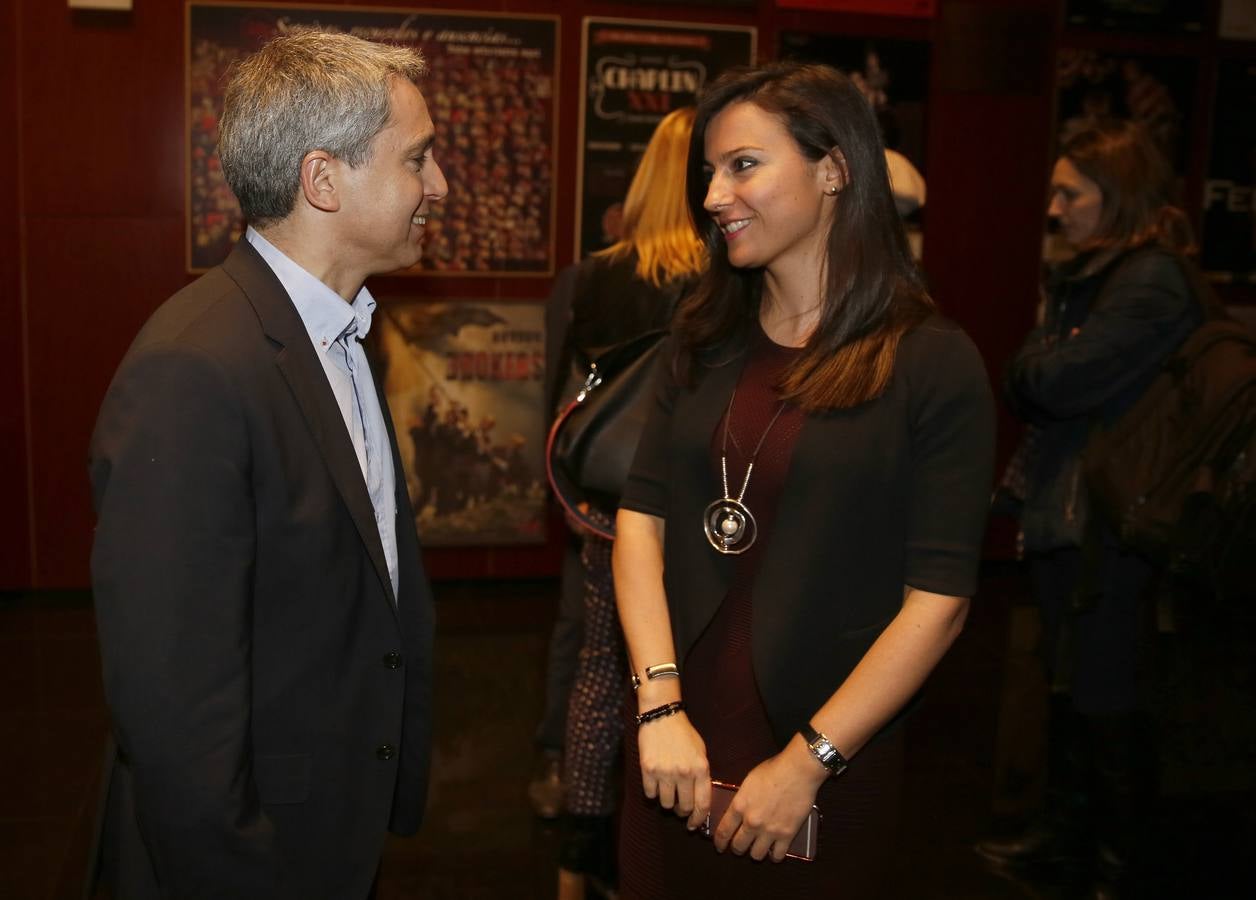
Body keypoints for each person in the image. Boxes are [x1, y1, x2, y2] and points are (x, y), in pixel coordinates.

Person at [613, 63, 995, 898]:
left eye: (743, 165)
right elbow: (642, 519)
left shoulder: (931, 362)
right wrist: (659, 707)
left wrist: (808, 762)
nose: (714, 196)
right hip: (674, 746)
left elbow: (939, 602)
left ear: (834, 170)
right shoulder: (703, 336)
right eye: (710, 172)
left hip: (823, 758)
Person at [88, 30, 447, 900]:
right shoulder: (194, 368)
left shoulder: (341, 329)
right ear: (323, 179)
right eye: (417, 159)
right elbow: (175, 704)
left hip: (328, 824)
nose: (438, 185)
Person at [977, 122, 1202, 898]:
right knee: (1071, 687)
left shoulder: (1150, 281)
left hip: (1112, 525)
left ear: (1118, 195)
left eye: (1070, 193)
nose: (1054, 208)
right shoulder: (1099, 277)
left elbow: (1048, 381)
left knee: (1106, 695)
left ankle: (1119, 862)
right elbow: (1035, 375)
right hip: (1078, 516)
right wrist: (1036, 363)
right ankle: (1068, 842)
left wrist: (1035, 363)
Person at [547, 106, 706, 899]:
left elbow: (569, 394)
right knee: (682, 673)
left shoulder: (598, 276)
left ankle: (579, 856)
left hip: (609, 509)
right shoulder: (726, 278)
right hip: (696, 514)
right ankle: (666, 845)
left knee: (600, 671)